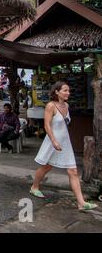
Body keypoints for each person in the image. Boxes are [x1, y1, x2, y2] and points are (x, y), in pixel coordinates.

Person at [30, 81, 98, 211]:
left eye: (69, 91)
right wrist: (54, 141)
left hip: (65, 142)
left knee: (73, 171)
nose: (68, 93)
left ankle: (81, 203)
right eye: (65, 90)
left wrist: (61, 141)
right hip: (52, 141)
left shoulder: (66, 105)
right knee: (46, 167)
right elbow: (47, 125)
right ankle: (34, 187)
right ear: (57, 92)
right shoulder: (50, 106)